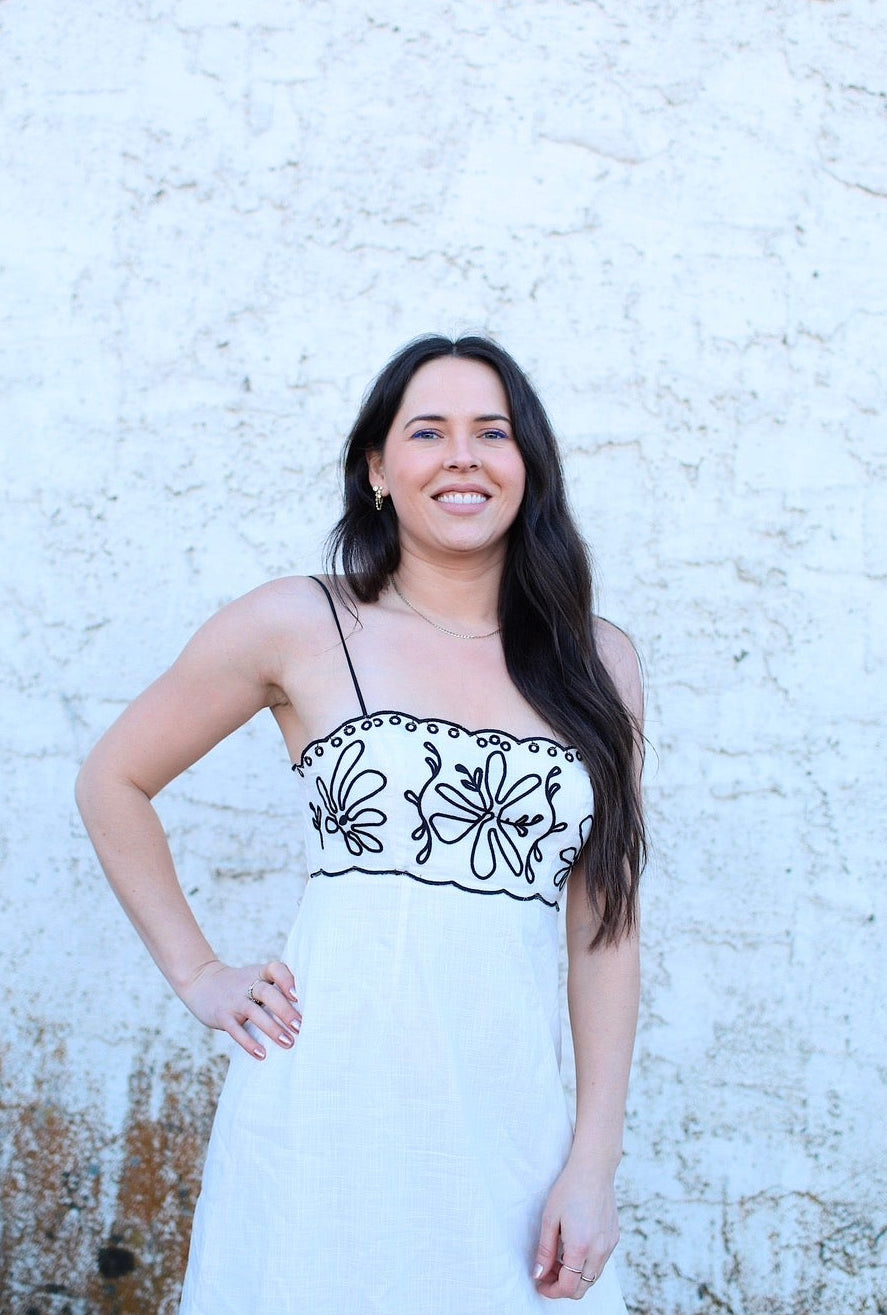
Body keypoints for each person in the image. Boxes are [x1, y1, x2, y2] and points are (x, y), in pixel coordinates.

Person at [76, 334, 645, 1313]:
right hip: (324, 1113)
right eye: (427, 431)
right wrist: (198, 973)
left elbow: (605, 928)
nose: (461, 456)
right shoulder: (298, 622)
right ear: (378, 468)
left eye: (492, 432)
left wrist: (592, 1162)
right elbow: (112, 779)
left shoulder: (598, 662)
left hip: (508, 1125)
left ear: (529, 464)